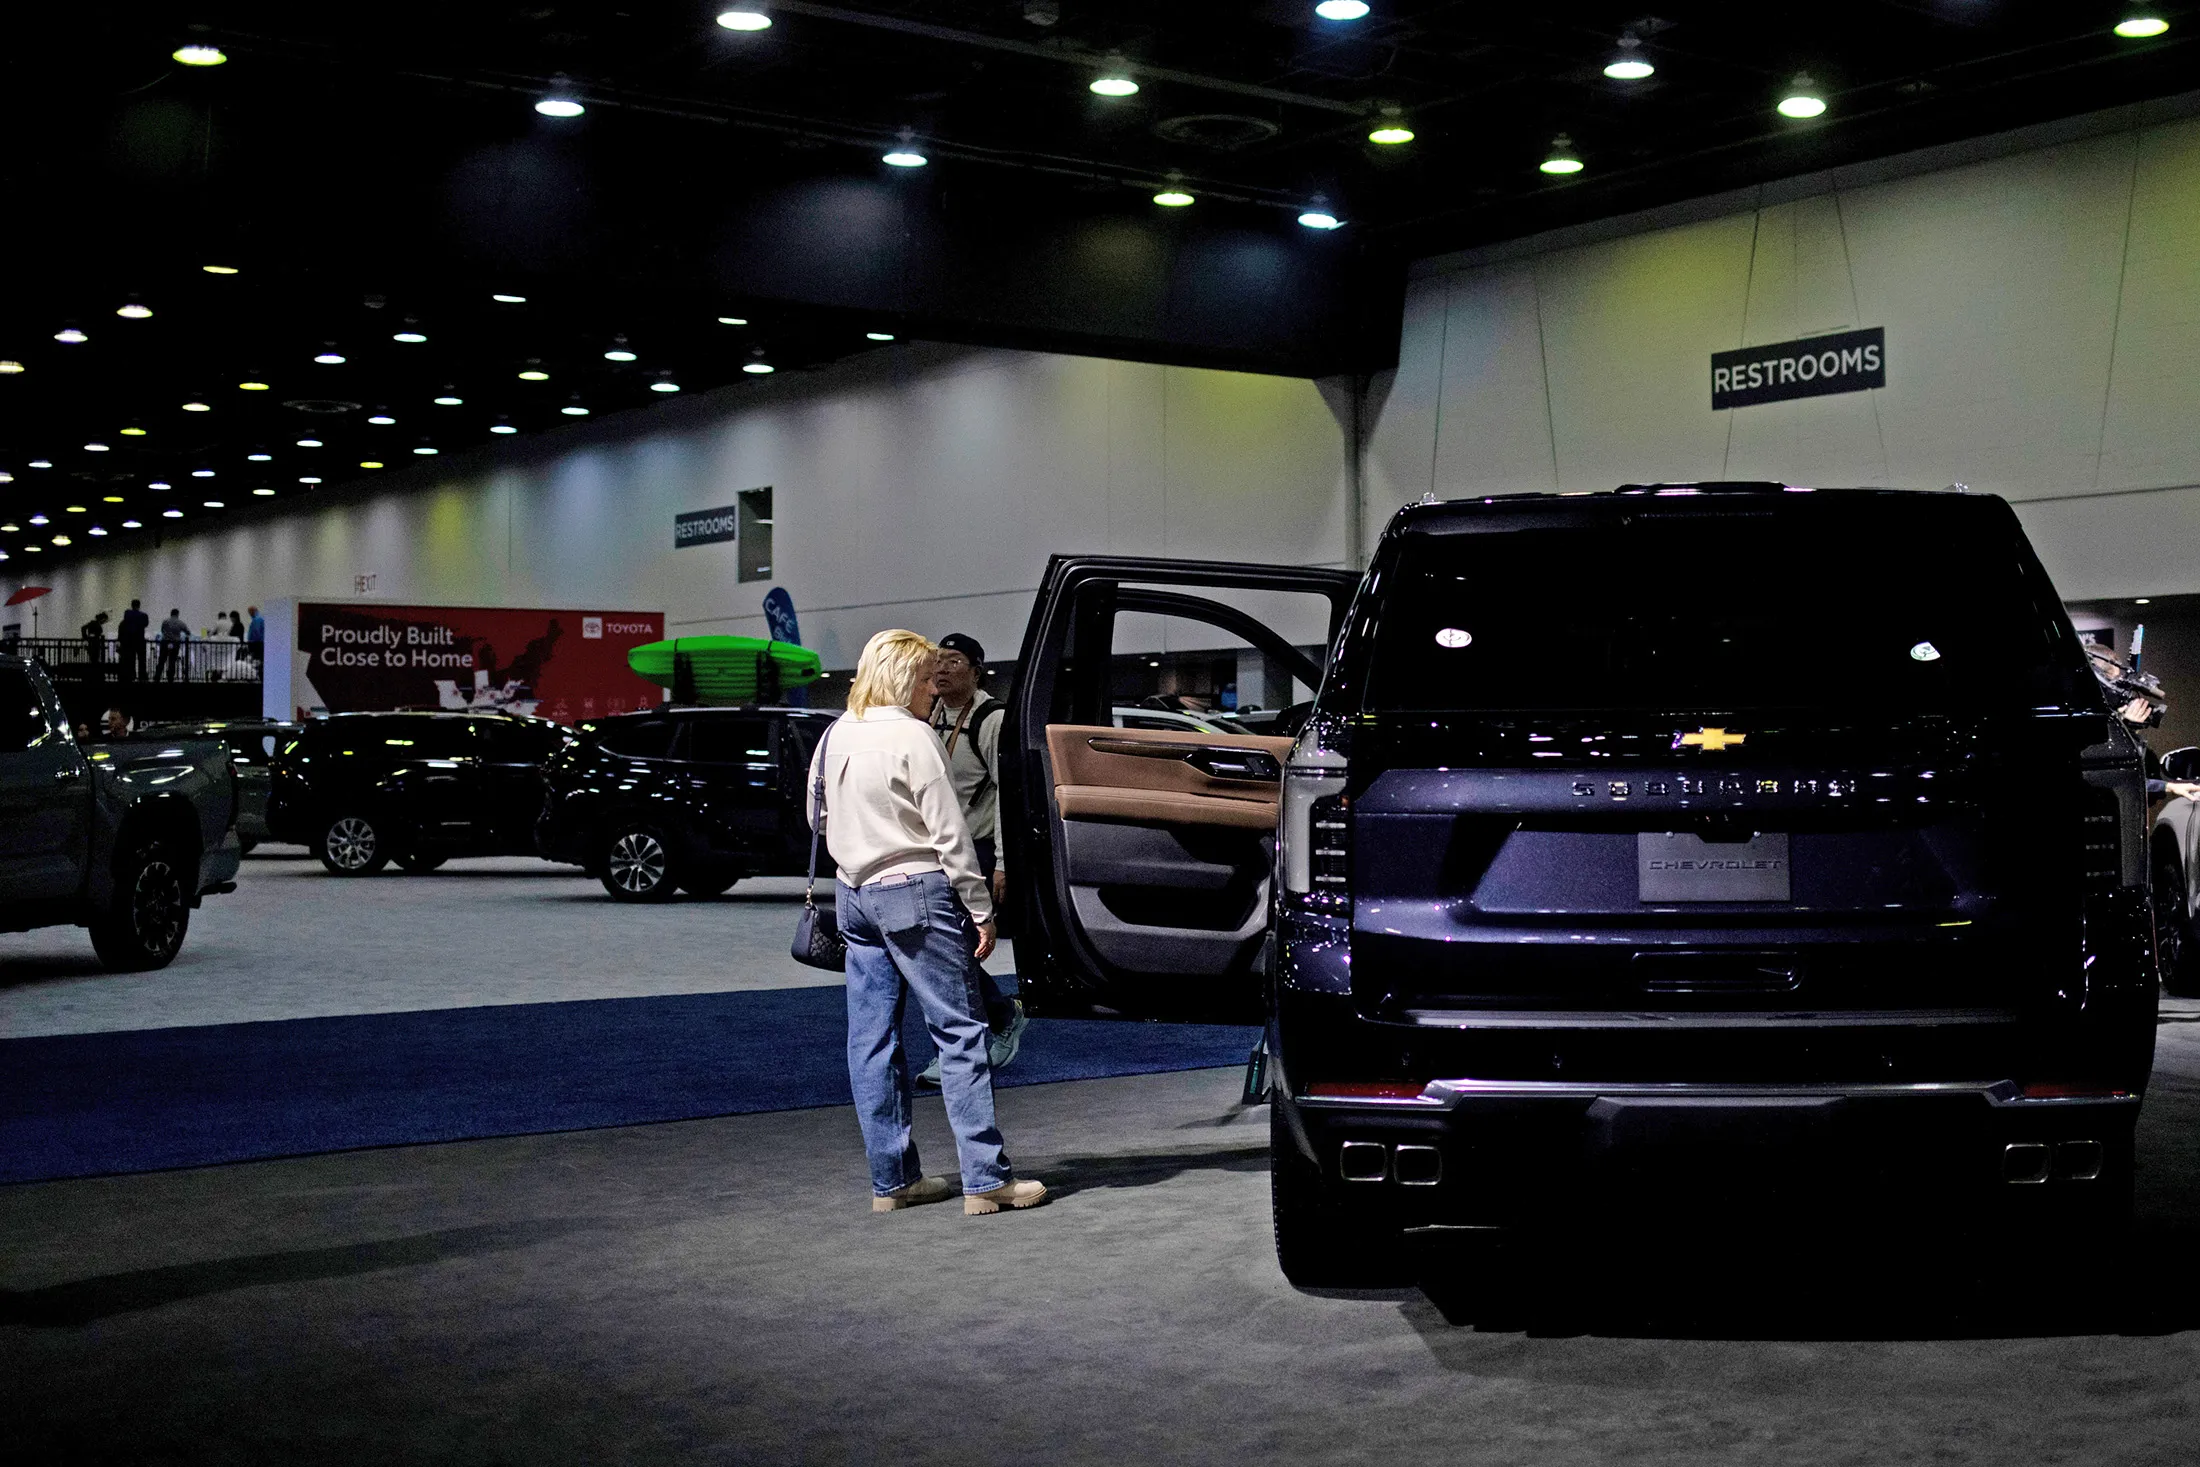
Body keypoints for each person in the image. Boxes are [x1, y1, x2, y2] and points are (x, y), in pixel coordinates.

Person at [810, 628, 1048, 1217]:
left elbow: (816, 816)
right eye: (924, 679)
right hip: (917, 891)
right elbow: (951, 836)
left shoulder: (836, 732)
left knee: (870, 1043)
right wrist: (979, 910)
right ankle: (986, 1183)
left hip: (853, 895)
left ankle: (892, 1184)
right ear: (901, 680)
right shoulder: (915, 737)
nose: (932, 691)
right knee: (961, 1033)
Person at [916, 632, 1027, 1087]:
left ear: (977, 670)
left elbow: (1007, 796)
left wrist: (1002, 862)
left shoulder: (990, 719)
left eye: (954, 662)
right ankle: (990, 1023)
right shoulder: (929, 714)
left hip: (976, 850)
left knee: (953, 950)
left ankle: (984, 1030)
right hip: (935, 848)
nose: (942, 669)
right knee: (941, 950)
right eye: (938, 661)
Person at [117, 600, 149, 684]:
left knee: (130, 659)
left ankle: (131, 675)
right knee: (141, 659)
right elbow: (146, 624)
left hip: (129, 641)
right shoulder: (143, 615)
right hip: (140, 640)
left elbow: (124, 623)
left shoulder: (127, 614)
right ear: (139, 605)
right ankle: (142, 676)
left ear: (131, 605)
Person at [156, 608, 188, 682]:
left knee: (162, 660)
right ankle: (170, 677)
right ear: (177, 614)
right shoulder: (180, 623)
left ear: (171, 614)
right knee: (172, 660)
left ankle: (157, 676)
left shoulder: (165, 621)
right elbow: (187, 631)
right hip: (175, 644)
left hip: (165, 643)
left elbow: (162, 630)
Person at [80, 611, 109, 684]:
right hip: (94, 644)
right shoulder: (94, 623)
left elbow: (83, 628)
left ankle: (93, 676)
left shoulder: (93, 623)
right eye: (104, 620)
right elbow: (83, 628)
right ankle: (94, 677)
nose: (105, 622)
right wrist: (86, 637)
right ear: (102, 619)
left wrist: (86, 638)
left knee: (93, 659)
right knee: (94, 659)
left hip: (92, 643)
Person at [246, 605, 265, 670]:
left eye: (249, 612)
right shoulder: (260, 618)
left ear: (252, 611)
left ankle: (256, 673)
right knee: (259, 660)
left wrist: (251, 643)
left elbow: (256, 631)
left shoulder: (256, 619)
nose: (249, 614)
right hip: (259, 643)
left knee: (256, 661)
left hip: (256, 644)